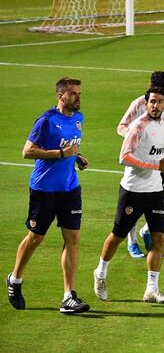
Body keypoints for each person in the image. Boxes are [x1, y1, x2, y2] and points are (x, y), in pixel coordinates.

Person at [7, 77, 90, 314]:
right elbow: (27, 151)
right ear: (60, 96)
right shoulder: (46, 121)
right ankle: (15, 279)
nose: (78, 97)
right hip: (44, 190)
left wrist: (77, 157)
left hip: (70, 189)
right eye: (73, 94)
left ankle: (68, 296)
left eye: (79, 93)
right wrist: (61, 153)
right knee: (35, 238)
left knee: (73, 238)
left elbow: (70, 147)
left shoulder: (78, 119)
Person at [93, 87, 164, 305]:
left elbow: (163, 153)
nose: (156, 106)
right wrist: (154, 165)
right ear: (146, 104)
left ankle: (151, 290)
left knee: (159, 239)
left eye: (159, 102)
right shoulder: (137, 126)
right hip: (133, 190)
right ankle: (100, 273)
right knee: (118, 235)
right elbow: (124, 157)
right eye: (152, 102)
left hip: (155, 191)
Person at [117, 71, 164, 258]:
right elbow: (121, 126)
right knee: (135, 202)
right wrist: (136, 137)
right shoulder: (139, 104)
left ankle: (147, 230)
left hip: (161, 157)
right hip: (141, 159)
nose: (160, 97)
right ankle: (132, 242)